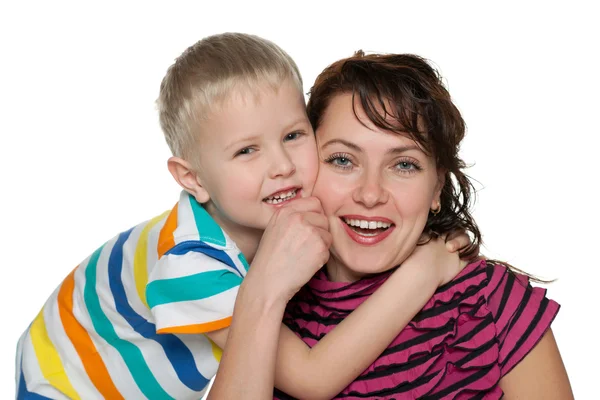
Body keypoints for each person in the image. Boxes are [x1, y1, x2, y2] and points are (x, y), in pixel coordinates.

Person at [15, 34, 471, 399]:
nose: (281, 165)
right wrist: (423, 270)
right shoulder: (192, 262)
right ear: (192, 178)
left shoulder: (276, 222)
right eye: (247, 150)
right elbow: (312, 380)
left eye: (293, 135)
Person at [210, 52, 573, 399]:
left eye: (404, 165)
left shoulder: (492, 302)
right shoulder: (248, 295)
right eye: (342, 160)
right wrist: (263, 293)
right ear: (304, 167)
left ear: (436, 188)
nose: (371, 194)